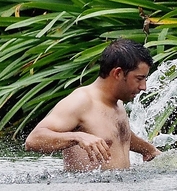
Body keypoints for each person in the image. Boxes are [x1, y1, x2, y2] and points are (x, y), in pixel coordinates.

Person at [25, 38, 162, 170]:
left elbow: (116, 135)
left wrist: (148, 149)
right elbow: (33, 140)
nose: (144, 87)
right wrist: (77, 137)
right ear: (118, 73)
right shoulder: (80, 101)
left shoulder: (117, 103)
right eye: (139, 79)